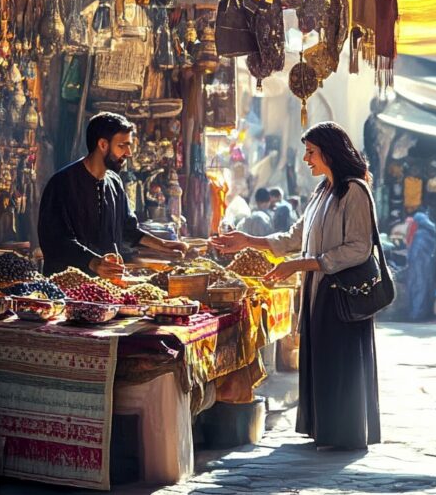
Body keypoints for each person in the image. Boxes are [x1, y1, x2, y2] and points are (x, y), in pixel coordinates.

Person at [211, 121, 381, 450]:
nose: (307, 159)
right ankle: (325, 430)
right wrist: (248, 240)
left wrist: (302, 264)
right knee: (322, 358)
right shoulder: (323, 192)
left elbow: (358, 248)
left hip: (342, 294)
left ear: (330, 153)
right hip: (318, 290)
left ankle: (346, 434)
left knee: (341, 360)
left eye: (311, 152)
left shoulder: (354, 191)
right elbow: (294, 237)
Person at [38, 112, 188, 278]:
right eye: (122, 146)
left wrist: (163, 245)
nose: (129, 153)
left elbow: (127, 230)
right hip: (66, 287)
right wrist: (94, 262)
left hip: (105, 287)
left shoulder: (114, 182)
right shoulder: (62, 183)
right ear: (103, 144)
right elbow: (55, 240)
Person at [406, 208, 436, 321]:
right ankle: (420, 313)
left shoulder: (419, 235)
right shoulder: (430, 234)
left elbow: (414, 253)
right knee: (423, 287)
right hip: (425, 267)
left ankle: (415, 314)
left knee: (417, 287)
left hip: (417, 266)